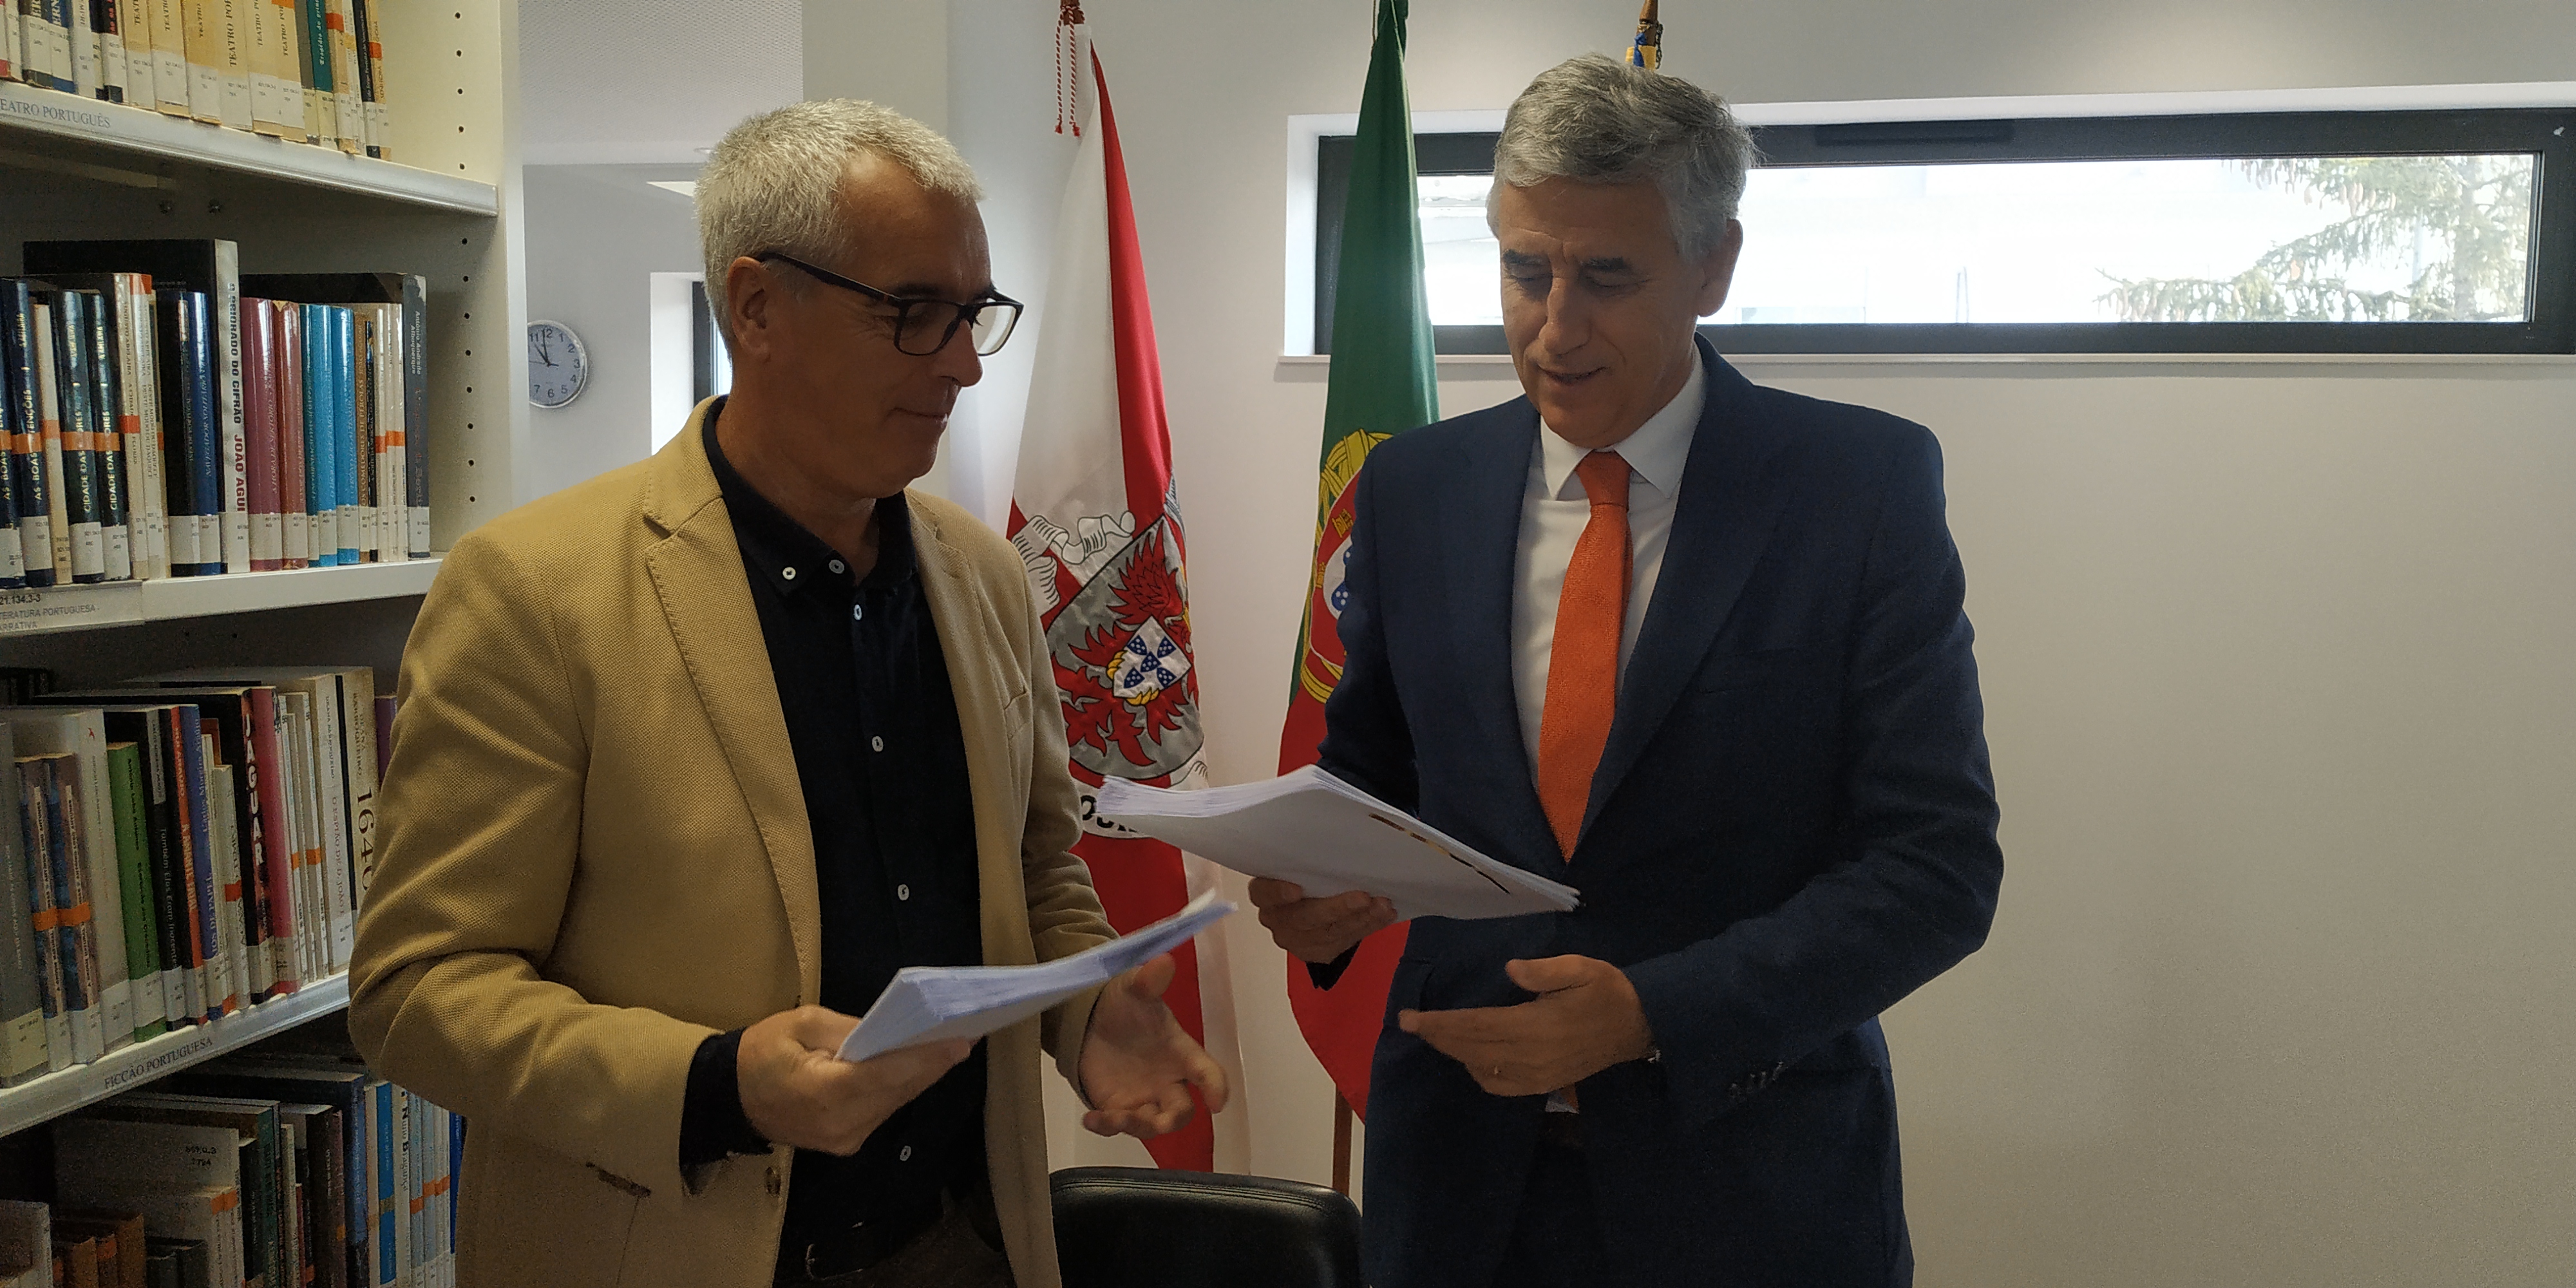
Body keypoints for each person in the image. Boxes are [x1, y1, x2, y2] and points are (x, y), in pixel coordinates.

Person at [350, 100, 1226, 1288]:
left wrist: (1085, 1010)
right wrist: (718, 1086)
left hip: (965, 1242)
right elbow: (414, 992)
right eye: (913, 312)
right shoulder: (535, 592)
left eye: (974, 314)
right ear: (757, 307)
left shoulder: (980, 575)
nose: (965, 364)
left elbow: (1035, 870)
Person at [1250, 55, 2003, 1287]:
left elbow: (1936, 867)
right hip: (1459, 1187)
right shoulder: (1414, 488)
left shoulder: (1856, 491)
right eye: (1524, 271)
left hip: (1749, 1183)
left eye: (1606, 277)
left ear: (1714, 266)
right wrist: (1325, 889)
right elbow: (1373, 782)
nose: (1555, 327)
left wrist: (1655, 1013)